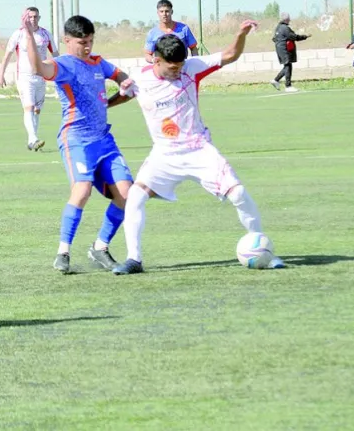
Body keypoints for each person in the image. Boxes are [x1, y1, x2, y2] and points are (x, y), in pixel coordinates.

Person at [109, 20, 285, 275]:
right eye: (172, 68)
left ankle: (264, 251)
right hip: (164, 154)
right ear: (156, 60)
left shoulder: (192, 68)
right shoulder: (139, 79)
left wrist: (240, 33)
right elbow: (123, 96)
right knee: (135, 196)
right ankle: (134, 260)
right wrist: (104, 104)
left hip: (199, 149)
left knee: (237, 194)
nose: (177, 72)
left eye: (180, 66)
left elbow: (229, 55)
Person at [20, 11, 136, 274]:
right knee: (81, 191)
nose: (87, 47)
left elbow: (118, 75)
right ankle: (63, 252)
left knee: (127, 194)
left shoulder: (98, 62)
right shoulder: (63, 64)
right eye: (82, 42)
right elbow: (39, 69)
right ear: (67, 40)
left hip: (104, 140)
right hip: (77, 140)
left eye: (90, 41)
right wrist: (28, 35)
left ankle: (100, 247)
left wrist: (124, 83)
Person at [0, 7, 59, 151]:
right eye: (30, 17)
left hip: (41, 77)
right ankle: (33, 138)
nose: (33, 19)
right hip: (25, 77)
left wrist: (62, 73)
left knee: (37, 109)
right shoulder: (18, 34)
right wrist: (1, 73)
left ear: (39, 17)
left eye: (35, 16)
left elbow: (56, 54)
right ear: (25, 18)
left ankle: (33, 139)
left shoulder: (45, 34)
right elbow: (8, 54)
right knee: (29, 106)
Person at [270, 12, 311, 92]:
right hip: (284, 49)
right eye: (289, 19)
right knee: (288, 66)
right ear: (286, 19)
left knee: (287, 66)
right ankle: (288, 86)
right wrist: (305, 36)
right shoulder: (285, 28)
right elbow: (294, 37)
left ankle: (276, 80)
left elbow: (274, 39)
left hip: (280, 49)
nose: (290, 20)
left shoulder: (278, 27)